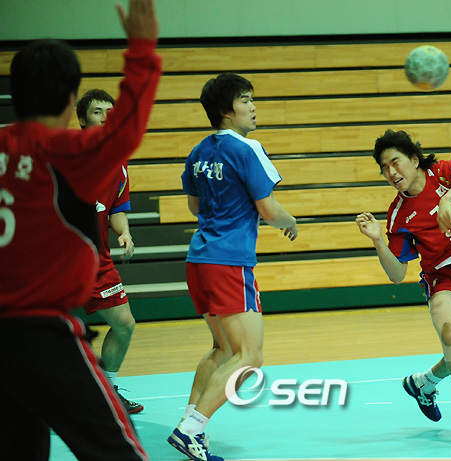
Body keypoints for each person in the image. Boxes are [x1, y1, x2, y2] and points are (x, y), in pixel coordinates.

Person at [0, 0, 161, 459]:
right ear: (72, 99)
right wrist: (142, 48)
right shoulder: (67, 152)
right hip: (41, 333)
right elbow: (127, 128)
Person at [167, 72, 298, 461]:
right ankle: (191, 429)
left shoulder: (198, 151)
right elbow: (269, 210)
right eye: (245, 100)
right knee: (249, 356)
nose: (253, 107)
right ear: (227, 110)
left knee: (223, 349)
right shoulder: (247, 148)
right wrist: (290, 221)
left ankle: (189, 423)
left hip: (199, 260)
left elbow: (194, 205)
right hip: (229, 263)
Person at [356, 129, 451, 446]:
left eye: (395, 162)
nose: (391, 172)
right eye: (384, 168)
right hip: (445, 278)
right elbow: (397, 274)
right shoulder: (399, 215)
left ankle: (425, 382)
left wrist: (448, 197)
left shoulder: (445, 173)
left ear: (414, 159)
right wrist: (378, 241)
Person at [76, 88, 143, 414]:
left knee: (124, 324)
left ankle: (107, 390)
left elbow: (116, 207)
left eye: (110, 112)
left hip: (97, 260)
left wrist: (124, 232)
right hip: (59, 259)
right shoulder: (68, 157)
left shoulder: (119, 163)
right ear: (82, 120)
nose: (105, 118)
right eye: (97, 112)